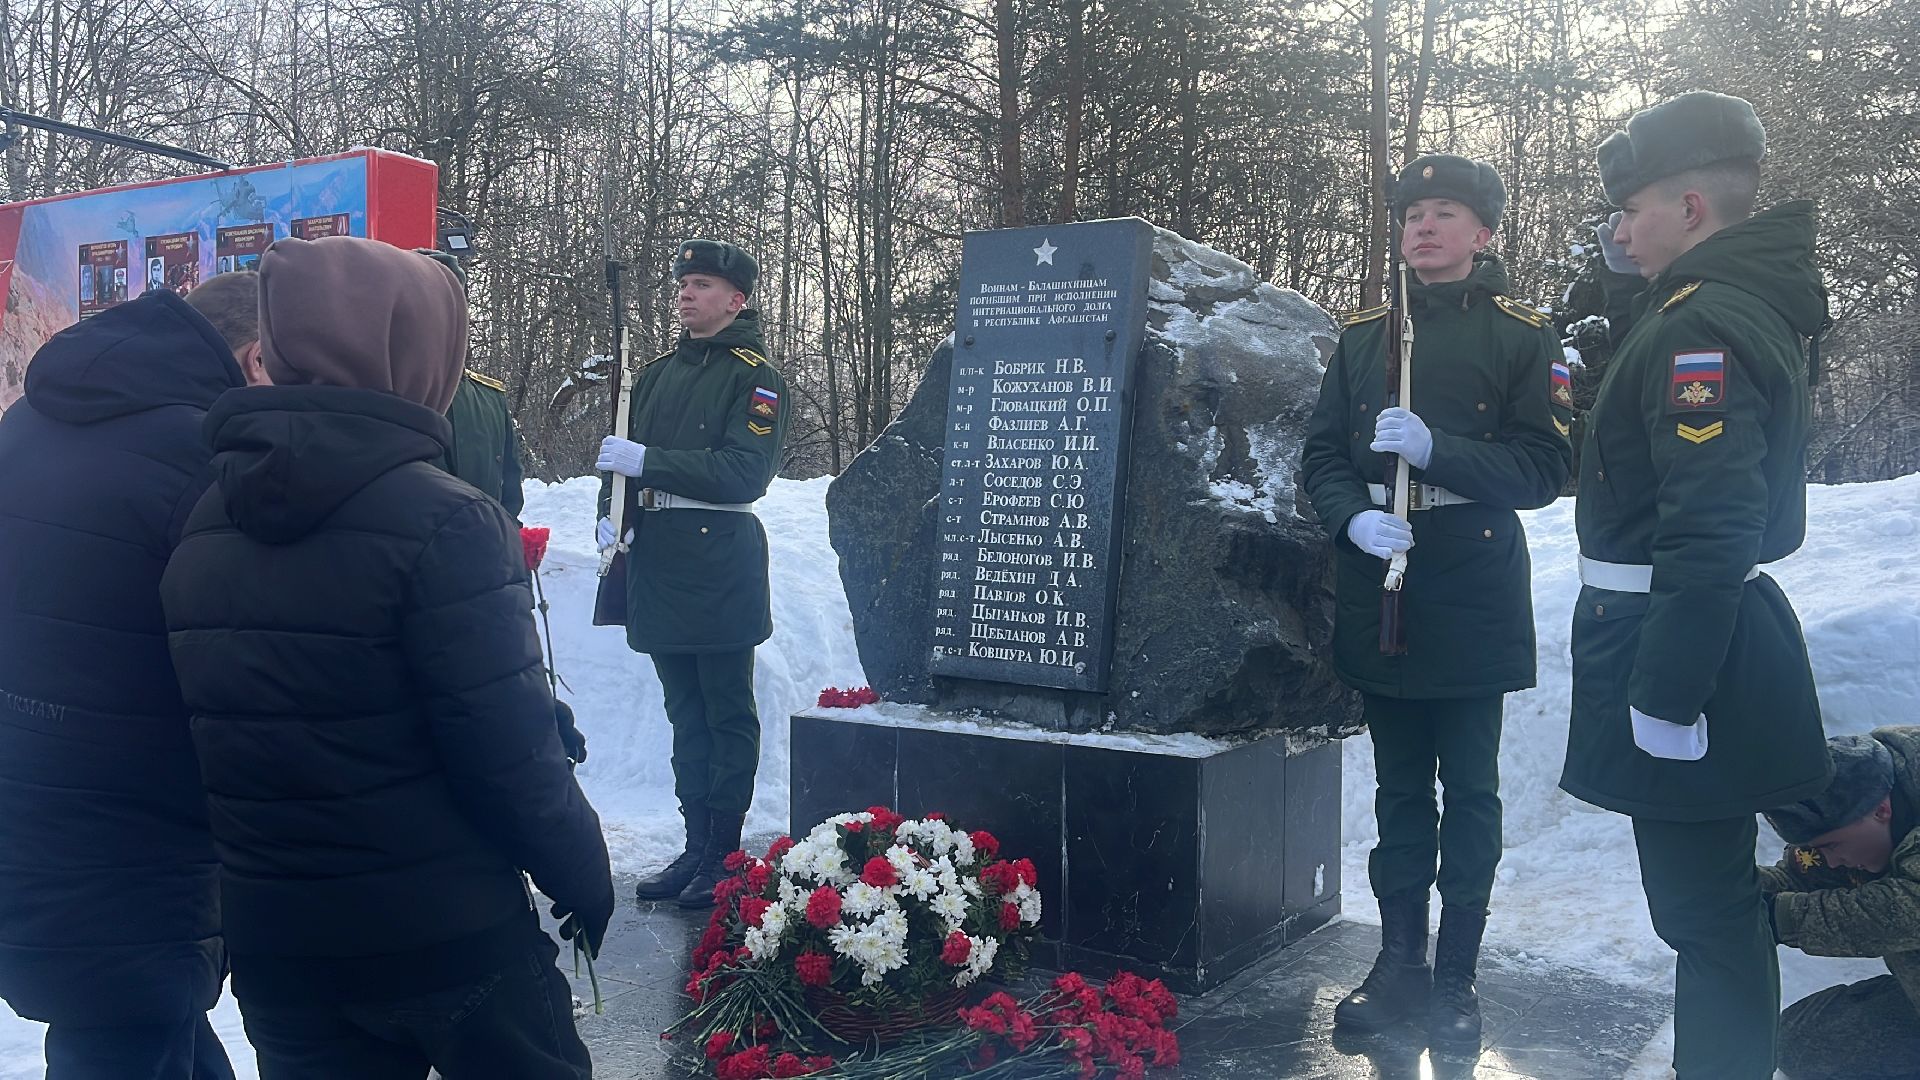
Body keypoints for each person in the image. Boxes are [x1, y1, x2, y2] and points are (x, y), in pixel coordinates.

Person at [159, 236, 613, 1079]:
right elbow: (507, 756)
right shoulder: (447, 519)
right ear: (417, 352)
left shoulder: (204, 515)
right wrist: (582, 875)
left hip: (283, 947)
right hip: (444, 938)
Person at [1558, 90, 1833, 1079]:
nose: (1618, 230)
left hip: (1680, 643)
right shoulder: (1699, 307)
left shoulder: (1698, 326)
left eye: (1632, 211)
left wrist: (1667, 689)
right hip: (1676, 624)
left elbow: (1709, 522)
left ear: (1690, 211)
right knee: (1707, 907)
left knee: (1704, 912)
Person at [1300, 155, 1573, 1047]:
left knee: (1474, 794)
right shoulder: (1360, 338)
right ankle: (1399, 963)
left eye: (1444, 212)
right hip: (1384, 579)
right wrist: (1352, 522)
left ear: (1483, 233)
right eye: (1412, 213)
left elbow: (1545, 468)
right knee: (1399, 793)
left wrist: (1437, 448)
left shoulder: (1521, 337)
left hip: (1472, 584)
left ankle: (1457, 974)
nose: (1422, 227)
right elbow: (1322, 460)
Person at [0, 272, 267, 1078]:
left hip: (36, 797)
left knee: (141, 1025)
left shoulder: (28, 422)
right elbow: (237, 662)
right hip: (138, 827)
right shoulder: (201, 455)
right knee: (124, 1032)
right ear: (255, 361)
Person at [596, 239, 790, 909]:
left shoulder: (753, 375)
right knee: (685, 715)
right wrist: (610, 516)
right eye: (684, 283)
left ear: (736, 300)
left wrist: (648, 461)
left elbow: (744, 473)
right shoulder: (651, 375)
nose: (686, 293)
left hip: (718, 557)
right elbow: (621, 464)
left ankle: (726, 854)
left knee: (724, 710)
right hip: (659, 558)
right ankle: (695, 845)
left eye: (702, 284)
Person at [1759, 730, 1920, 1080]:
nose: (1831, 862)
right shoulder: (1858, 801)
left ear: (1882, 809)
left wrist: (1778, 918)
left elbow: (1909, 908)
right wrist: (1741, 891)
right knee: (1799, 1042)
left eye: (1832, 846)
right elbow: (1802, 875)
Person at [413, 248, 527, 519]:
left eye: (450, 309)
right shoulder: (385, 393)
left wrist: (505, 542)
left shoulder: (490, 399)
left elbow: (510, 489)